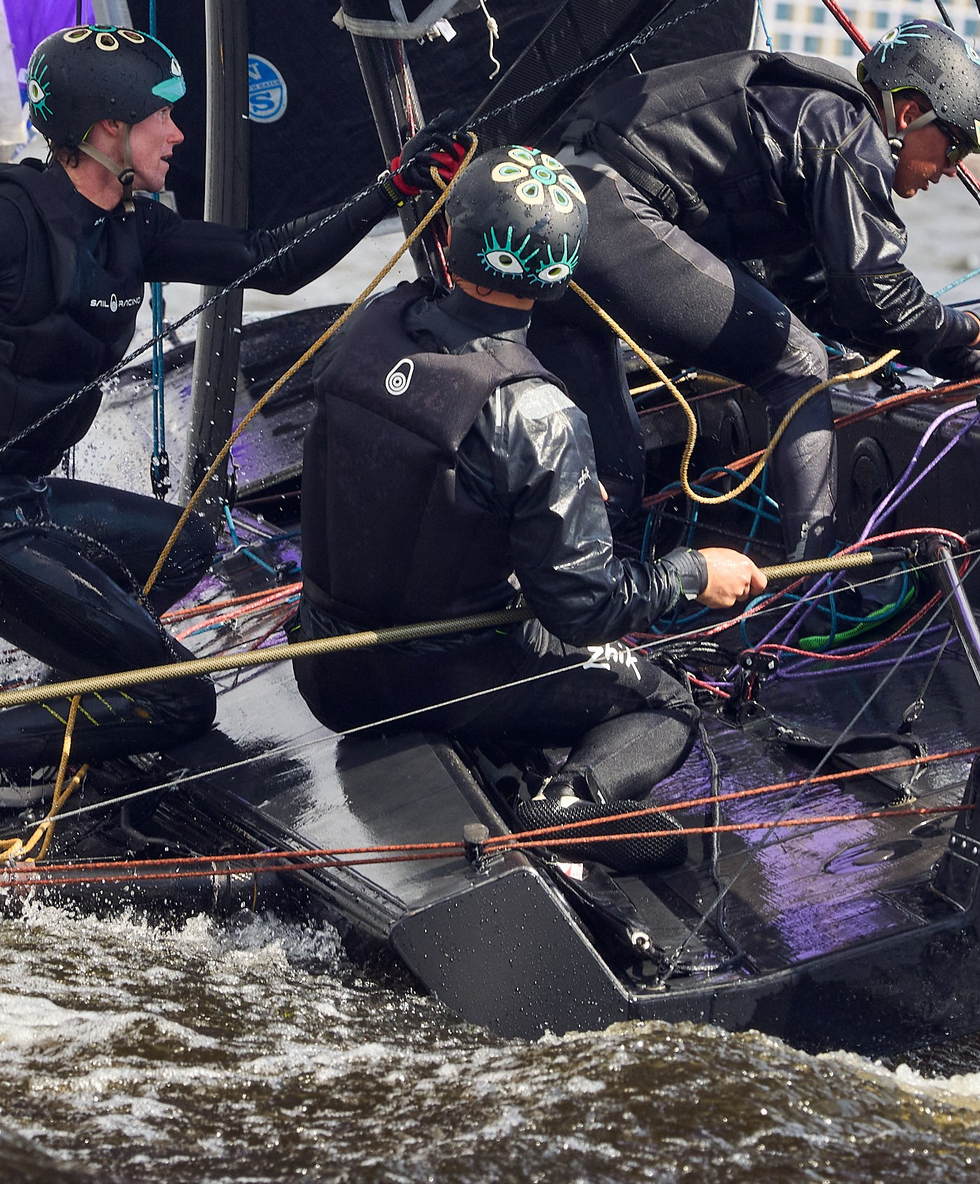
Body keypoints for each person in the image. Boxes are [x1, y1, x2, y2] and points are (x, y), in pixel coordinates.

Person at [0, 24, 445, 847]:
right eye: (160, 117)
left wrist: (394, 186)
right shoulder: (1, 223)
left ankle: (46, 732)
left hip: (24, 499)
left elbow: (268, 259)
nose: (177, 133)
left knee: (188, 544)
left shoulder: (131, 229)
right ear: (107, 127)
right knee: (179, 697)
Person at [291, 145, 766, 869]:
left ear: (448, 239)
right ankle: (569, 801)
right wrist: (693, 571)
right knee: (667, 701)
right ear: (561, 276)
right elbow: (585, 608)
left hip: (325, 670)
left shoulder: (372, 324)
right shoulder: (539, 413)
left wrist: (532, 496)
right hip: (436, 678)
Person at [533, 18, 980, 561]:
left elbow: (820, 299)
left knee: (616, 479)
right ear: (911, 113)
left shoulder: (806, 120)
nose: (950, 169)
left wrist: (954, 358)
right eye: (954, 147)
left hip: (553, 229)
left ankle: (553, 621)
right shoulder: (846, 131)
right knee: (799, 364)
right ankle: (806, 580)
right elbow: (876, 294)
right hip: (607, 213)